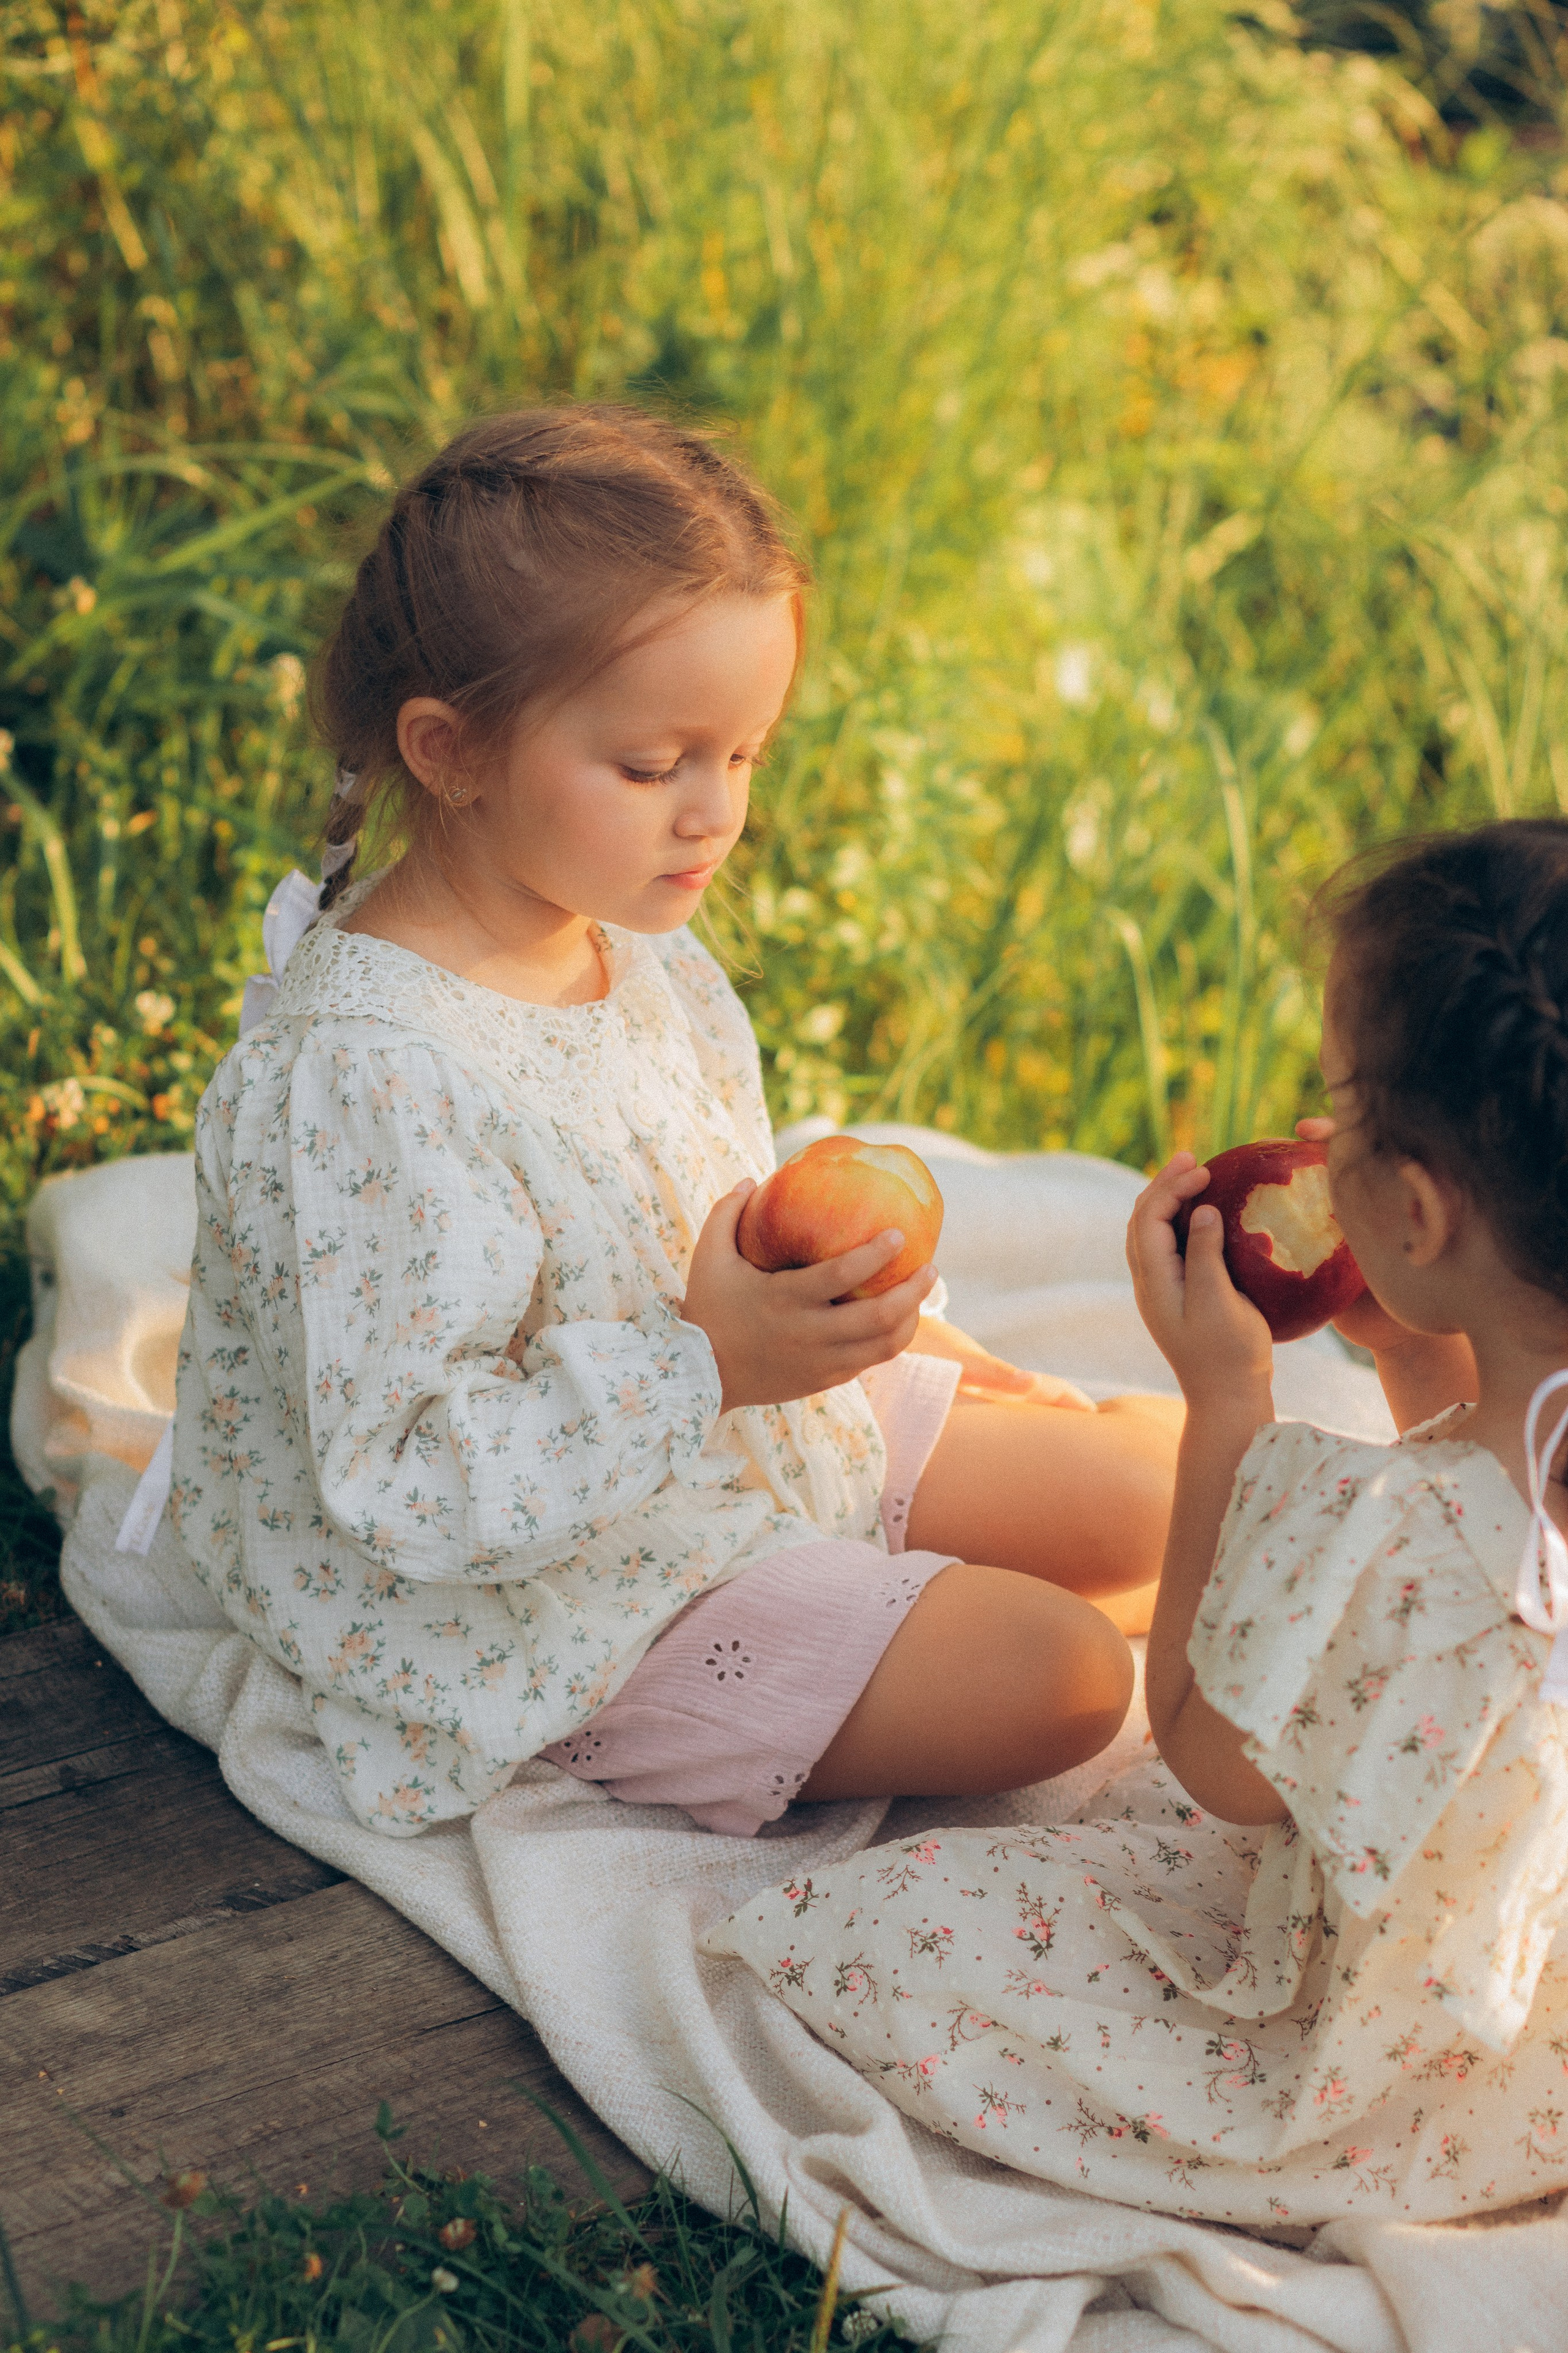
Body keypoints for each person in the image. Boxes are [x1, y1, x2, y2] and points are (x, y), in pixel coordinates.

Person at [168, 404, 1182, 1841]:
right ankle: (767, 1657)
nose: (715, 814)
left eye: (746, 754)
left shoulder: (631, 945)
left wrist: (853, 1329)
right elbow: (405, 1479)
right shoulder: (372, 1077)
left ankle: (906, 1547)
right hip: (545, 1579)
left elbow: (709, 1201)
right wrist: (703, 1362)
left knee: (1160, 1485)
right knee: (1065, 1676)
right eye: (655, 767)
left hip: (723, 1406)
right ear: (450, 751)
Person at [705, 818, 1568, 2224]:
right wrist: (1415, 1346)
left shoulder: (1383, 1533)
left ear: (1411, 1211)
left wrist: (1227, 1397)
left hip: (1419, 2068)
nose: (1321, 1130)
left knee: (889, 1934)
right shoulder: (1492, 1481)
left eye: (1343, 1108)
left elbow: (1208, 1752)